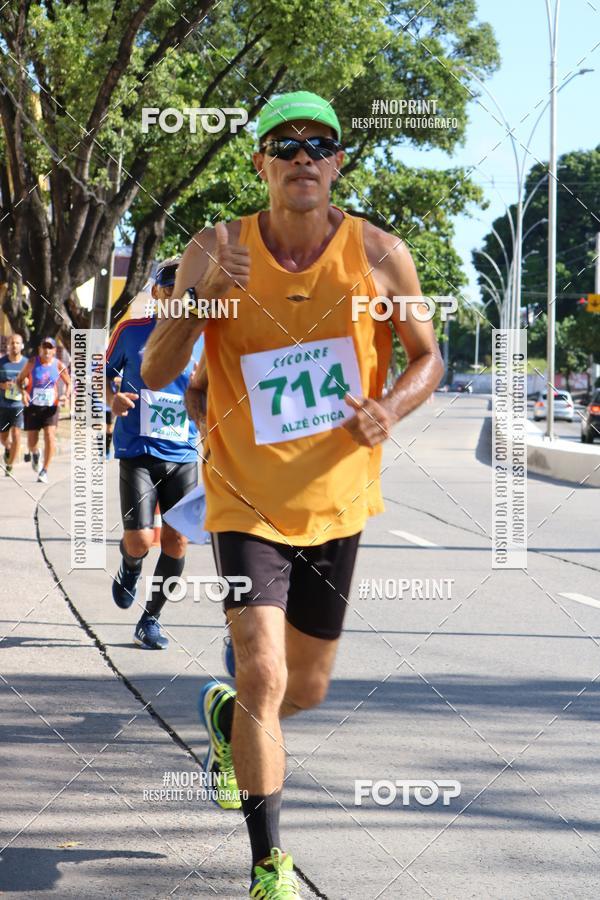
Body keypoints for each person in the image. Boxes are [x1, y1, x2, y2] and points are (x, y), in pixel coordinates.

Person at [141, 91, 443, 898]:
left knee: (301, 691)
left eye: (320, 144)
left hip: (337, 503)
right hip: (243, 502)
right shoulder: (214, 247)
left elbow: (427, 358)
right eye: (286, 144)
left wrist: (391, 407)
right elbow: (155, 372)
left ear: (340, 160)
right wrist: (201, 299)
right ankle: (269, 865)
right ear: (261, 162)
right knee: (265, 675)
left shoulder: (380, 253)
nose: (303, 155)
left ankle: (225, 718)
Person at [106, 259, 204, 650]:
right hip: (137, 448)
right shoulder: (131, 331)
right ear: (157, 292)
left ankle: (151, 620)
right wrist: (111, 398)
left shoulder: (204, 336)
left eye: (183, 286)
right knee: (141, 540)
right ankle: (130, 566)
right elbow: (99, 370)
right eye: (168, 285)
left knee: (178, 543)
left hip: (182, 452)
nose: (174, 293)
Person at [17, 337, 71, 483]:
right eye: (44, 347)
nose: (47, 350)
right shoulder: (32, 362)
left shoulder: (59, 365)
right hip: (33, 407)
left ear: (54, 350)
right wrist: (23, 393)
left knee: (50, 435)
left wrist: (66, 396)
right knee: (31, 442)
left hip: (51, 407)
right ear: (40, 349)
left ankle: (44, 470)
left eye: (50, 347)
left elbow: (69, 383)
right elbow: (19, 380)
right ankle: (35, 454)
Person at [0, 333, 27, 476]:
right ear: (7, 346)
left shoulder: (27, 363)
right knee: (3, 438)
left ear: (21, 345)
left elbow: (34, 382)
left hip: (19, 405)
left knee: (16, 433)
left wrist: (27, 384)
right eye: (11, 343)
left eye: (17, 343)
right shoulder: (1, 363)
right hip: (3, 406)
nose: (14, 345)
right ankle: (9, 449)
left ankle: (9, 465)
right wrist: (3, 385)